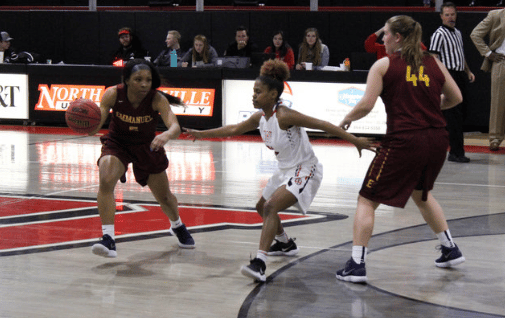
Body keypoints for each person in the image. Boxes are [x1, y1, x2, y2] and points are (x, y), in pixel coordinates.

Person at [184, 59, 373, 282]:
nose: (253, 96)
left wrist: (355, 141)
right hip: (285, 170)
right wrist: (201, 133)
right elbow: (234, 128)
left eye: (258, 92)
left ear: (273, 94)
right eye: (253, 91)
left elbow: (322, 124)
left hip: (305, 168)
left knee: (271, 206)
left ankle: (260, 263)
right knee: (261, 207)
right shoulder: (260, 117)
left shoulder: (284, 115)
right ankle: (285, 243)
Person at [335, 15, 465, 284]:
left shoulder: (383, 65)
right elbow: (456, 97)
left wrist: (348, 118)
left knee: (367, 198)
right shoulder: (434, 62)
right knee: (423, 195)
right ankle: (450, 248)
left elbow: (366, 104)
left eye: (385, 34)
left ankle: (356, 264)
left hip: (405, 141)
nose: (382, 38)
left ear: (397, 37)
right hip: (437, 140)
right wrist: (429, 107)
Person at [89, 59, 195, 258]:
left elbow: (174, 126)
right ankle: (108, 239)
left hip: (147, 146)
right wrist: (87, 125)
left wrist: (164, 135)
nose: (144, 84)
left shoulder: (157, 99)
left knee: (165, 198)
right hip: (117, 143)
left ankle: (177, 225)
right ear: (127, 80)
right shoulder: (112, 94)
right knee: (106, 179)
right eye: (138, 79)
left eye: (148, 80)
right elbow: (97, 124)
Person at [429, 2, 475, 163]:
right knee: (453, 115)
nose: (450, 17)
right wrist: (441, 79)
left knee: (461, 113)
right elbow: (433, 58)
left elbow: (460, 54)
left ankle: (455, 150)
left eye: (453, 14)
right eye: (447, 15)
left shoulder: (457, 33)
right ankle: (456, 152)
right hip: (448, 75)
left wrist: (467, 71)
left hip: (459, 74)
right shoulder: (438, 34)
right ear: (441, 16)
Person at [470, 8, 505, 151]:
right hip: (501, 61)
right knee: (498, 101)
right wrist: (488, 53)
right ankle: (495, 138)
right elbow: (475, 34)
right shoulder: (496, 15)